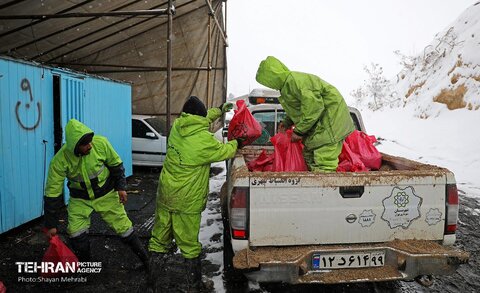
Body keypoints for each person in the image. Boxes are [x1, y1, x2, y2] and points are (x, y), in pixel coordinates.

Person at [148, 96, 239, 292]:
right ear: (199, 116)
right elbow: (227, 151)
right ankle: (195, 286)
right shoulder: (203, 141)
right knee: (189, 246)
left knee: (158, 241)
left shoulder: (178, 127)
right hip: (186, 201)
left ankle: (152, 285)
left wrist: (220, 109)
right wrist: (237, 142)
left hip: (165, 194)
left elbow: (201, 120)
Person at [43, 119, 148, 268]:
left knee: (124, 228)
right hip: (80, 199)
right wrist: (51, 224)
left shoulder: (101, 143)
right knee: (75, 232)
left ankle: (145, 260)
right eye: (85, 144)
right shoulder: (60, 160)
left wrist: (121, 187)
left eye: (90, 141)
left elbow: (116, 165)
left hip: (106, 194)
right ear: (75, 146)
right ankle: (87, 267)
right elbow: (52, 192)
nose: (90, 146)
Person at [256, 56, 355, 172]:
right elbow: (301, 108)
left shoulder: (296, 83)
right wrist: (287, 122)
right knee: (308, 156)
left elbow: (314, 108)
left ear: (272, 77)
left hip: (330, 124)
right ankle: (314, 186)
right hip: (321, 126)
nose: (268, 85)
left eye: (267, 81)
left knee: (324, 163)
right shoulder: (288, 85)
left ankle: (323, 188)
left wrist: (299, 131)